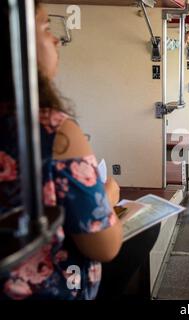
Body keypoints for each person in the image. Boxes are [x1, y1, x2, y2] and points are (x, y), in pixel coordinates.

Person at [0, 1, 123, 299]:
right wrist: (108, 194)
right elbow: (104, 247)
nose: (55, 39)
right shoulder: (54, 131)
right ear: (14, 44)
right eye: (44, 27)